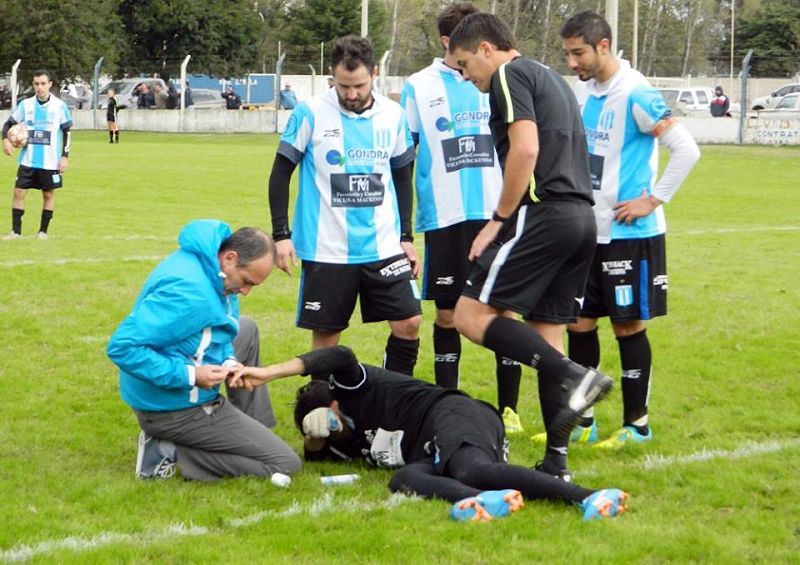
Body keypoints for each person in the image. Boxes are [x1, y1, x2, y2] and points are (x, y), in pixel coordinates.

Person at [447, 14, 612, 482]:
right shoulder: (552, 78)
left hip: (544, 214)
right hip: (581, 219)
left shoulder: (508, 74)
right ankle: (557, 463)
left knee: (469, 316)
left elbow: (525, 150)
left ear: (486, 48)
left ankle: (576, 375)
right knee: (546, 336)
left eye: (465, 65)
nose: (465, 76)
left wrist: (498, 220)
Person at [229, 345, 629, 522]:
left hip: (454, 414)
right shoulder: (339, 444)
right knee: (403, 479)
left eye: (332, 420)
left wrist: (270, 373)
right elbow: (317, 457)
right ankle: (480, 501)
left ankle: (589, 496)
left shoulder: (354, 388)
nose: (338, 433)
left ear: (334, 402)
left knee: (470, 467)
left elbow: (341, 356)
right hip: (428, 450)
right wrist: (315, 438)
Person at [560, 11, 701, 448]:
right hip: (590, 231)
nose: (572, 63)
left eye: (578, 53)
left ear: (603, 46)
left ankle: (637, 425)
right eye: (567, 54)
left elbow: (686, 149)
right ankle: (583, 422)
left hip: (630, 235)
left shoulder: (637, 92)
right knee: (578, 324)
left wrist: (652, 200)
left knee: (628, 327)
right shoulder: (586, 91)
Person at [400, 2, 523, 431]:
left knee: (504, 311)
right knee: (448, 314)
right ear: (446, 42)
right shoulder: (419, 86)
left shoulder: (501, 79)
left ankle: (510, 410)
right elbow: (404, 156)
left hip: (498, 213)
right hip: (446, 216)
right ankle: (447, 406)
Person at [268, 35, 422, 375]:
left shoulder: (394, 115)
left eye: (359, 86)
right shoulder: (310, 112)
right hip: (327, 249)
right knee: (326, 340)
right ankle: (324, 404)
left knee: (409, 322)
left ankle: (396, 397)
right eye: (343, 86)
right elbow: (280, 174)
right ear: (332, 76)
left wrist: (406, 236)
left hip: (383, 246)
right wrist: (281, 235)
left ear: (374, 74)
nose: (351, 95)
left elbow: (402, 178)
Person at [106, 220, 301, 481]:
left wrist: (229, 361)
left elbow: (222, 328)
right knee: (285, 463)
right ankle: (171, 450)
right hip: (169, 408)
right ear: (230, 258)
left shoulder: (211, 265)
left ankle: (253, 430)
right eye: (246, 282)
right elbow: (122, 347)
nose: (246, 292)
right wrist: (191, 375)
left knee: (246, 328)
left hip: (170, 385)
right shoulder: (188, 292)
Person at [1, 70, 72, 240]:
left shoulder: (59, 106)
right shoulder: (25, 105)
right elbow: (8, 124)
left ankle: (43, 232)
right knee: (19, 192)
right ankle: (16, 232)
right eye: (36, 84)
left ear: (50, 84)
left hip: (50, 161)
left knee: (48, 194)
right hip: (28, 160)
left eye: (43, 84)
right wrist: (5, 140)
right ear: (33, 85)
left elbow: (67, 132)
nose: (40, 87)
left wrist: (64, 156)